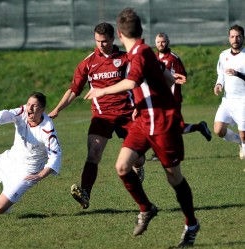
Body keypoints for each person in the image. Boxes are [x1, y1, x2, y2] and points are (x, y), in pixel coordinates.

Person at [84, 8, 199, 248]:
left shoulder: (141, 53)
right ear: (141, 30)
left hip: (162, 124)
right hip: (143, 120)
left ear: (118, 33)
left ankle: (191, 223)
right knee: (122, 166)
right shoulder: (143, 52)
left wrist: (103, 90)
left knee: (173, 177)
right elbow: (168, 79)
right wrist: (143, 101)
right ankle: (146, 208)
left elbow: (132, 81)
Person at [48, 22, 145, 209]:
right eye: (97, 41)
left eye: (104, 41)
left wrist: (139, 107)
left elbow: (139, 83)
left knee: (138, 156)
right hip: (102, 116)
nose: (100, 44)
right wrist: (58, 109)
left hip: (127, 114)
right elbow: (74, 89)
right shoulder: (89, 62)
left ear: (112, 39)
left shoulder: (126, 58)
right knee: (93, 154)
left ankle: (139, 165)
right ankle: (85, 194)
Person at [0, 92, 62, 214]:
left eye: (34, 106)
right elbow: (8, 114)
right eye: (28, 104)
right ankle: (6, 194)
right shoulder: (23, 112)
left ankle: (5, 202)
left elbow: (55, 156)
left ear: (42, 109)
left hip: (27, 172)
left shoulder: (47, 130)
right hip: (10, 159)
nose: (29, 108)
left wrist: (40, 175)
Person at [148, 32, 212, 161]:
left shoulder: (173, 59)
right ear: (155, 43)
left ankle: (163, 153)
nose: (161, 44)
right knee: (159, 126)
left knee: (174, 128)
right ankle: (199, 127)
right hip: (158, 100)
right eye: (158, 42)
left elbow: (183, 77)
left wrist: (174, 79)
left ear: (168, 42)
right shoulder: (153, 58)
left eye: (163, 41)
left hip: (173, 99)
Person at [214, 24, 245, 160]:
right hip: (227, 100)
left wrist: (237, 73)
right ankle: (239, 141)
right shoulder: (223, 55)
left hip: (243, 100)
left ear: (243, 38)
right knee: (219, 130)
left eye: (238, 36)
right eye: (232, 36)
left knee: (244, 135)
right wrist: (219, 84)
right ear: (229, 38)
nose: (235, 39)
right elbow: (221, 73)